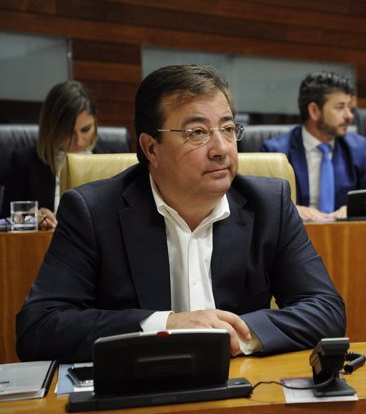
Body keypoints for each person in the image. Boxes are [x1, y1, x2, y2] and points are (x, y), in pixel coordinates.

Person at [16, 65, 346, 363]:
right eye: (197, 133)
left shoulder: (269, 204)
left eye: (228, 128)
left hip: (242, 390)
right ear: (151, 148)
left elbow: (326, 310)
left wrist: (240, 333)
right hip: (140, 392)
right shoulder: (93, 212)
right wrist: (167, 325)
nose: (221, 149)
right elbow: (39, 327)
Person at [261, 71, 366, 221]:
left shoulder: (358, 148)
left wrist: (357, 209)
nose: (349, 116)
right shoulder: (275, 153)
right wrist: (292, 209)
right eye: (340, 107)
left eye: (350, 107)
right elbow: (263, 205)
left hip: (346, 236)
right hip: (297, 237)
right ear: (314, 111)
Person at [1, 80, 99, 229]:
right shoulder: (24, 163)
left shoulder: (109, 159)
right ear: (52, 128)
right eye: (68, 132)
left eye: (86, 129)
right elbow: (5, 221)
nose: (79, 141)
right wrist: (32, 219)